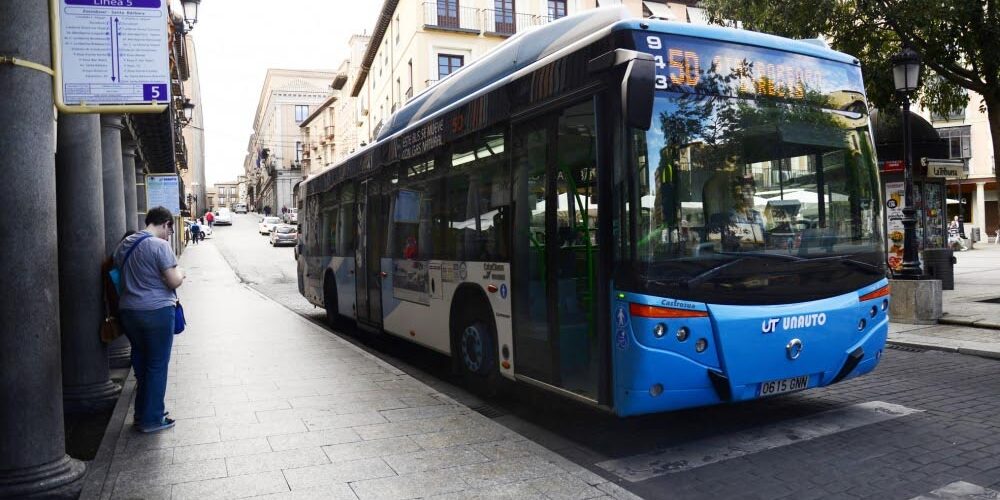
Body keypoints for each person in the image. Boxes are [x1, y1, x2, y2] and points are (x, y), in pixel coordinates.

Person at [114, 206, 185, 433]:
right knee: (157, 365)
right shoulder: (159, 245)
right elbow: (173, 281)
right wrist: (181, 272)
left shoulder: (124, 245)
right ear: (165, 223)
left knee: (142, 363)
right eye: (169, 229)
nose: (169, 235)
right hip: (156, 312)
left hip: (128, 312)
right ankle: (152, 419)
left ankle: (141, 414)